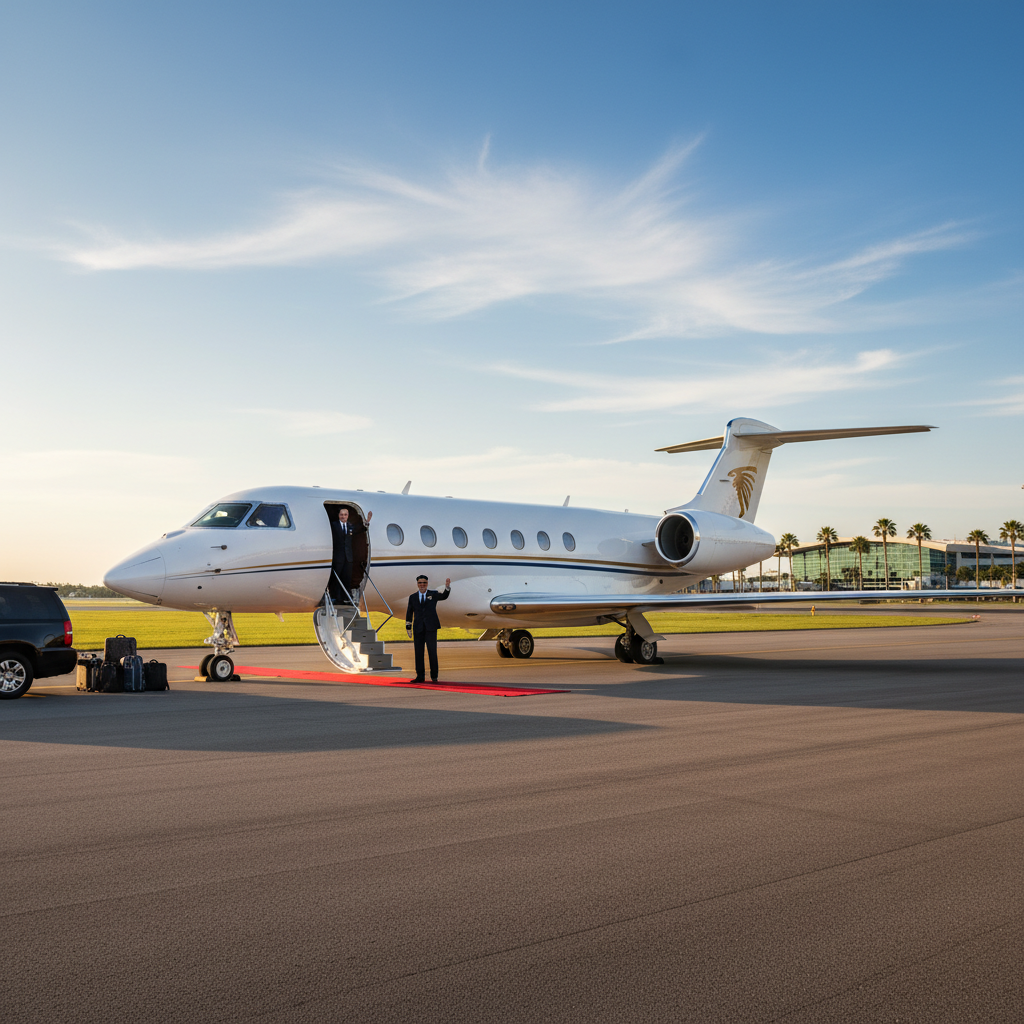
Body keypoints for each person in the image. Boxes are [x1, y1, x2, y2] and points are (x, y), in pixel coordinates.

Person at [405, 574, 451, 682]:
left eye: (424, 583)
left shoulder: (433, 594)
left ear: (427, 584)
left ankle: (434, 676)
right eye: (420, 583)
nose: (422, 585)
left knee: (432, 652)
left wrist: (447, 588)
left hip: (431, 628)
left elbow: (444, 596)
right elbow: (409, 612)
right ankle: (420, 676)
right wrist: (408, 627)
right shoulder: (412, 597)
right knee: (418, 653)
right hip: (418, 628)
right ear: (417, 584)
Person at [329, 507, 370, 603]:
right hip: (338, 557)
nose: (343, 517)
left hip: (348, 558)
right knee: (336, 578)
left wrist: (367, 522)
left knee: (347, 578)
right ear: (339, 516)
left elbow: (359, 530)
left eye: (345, 515)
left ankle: (346, 597)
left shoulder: (350, 526)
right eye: (341, 515)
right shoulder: (333, 526)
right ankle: (335, 597)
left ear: (347, 516)